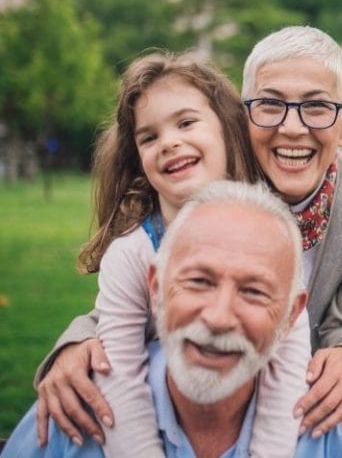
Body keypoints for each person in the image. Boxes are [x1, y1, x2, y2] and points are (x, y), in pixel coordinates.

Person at [34, 26, 342, 446]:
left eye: (317, 107)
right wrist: (76, 342)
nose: (292, 128)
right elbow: (144, 297)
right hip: (186, 398)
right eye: (270, 105)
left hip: (294, 407)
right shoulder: (213, 194)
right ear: (243, 118)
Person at [2, 181, 342, 458]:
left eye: (254, 291)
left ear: (292, 314)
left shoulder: (340, 425)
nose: (219, 318)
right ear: (155, 288)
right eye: (199, 281)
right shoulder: (73, 410)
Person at [35, 52, 311, 458]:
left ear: (227, 130)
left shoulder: (272, 241)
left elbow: (287, 370)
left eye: (185, 123)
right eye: (149, 137)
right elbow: (119, 376)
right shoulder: (131, 254)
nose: (169, 143)